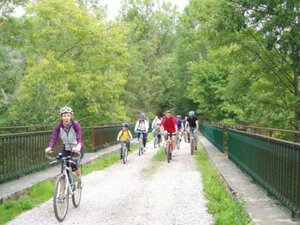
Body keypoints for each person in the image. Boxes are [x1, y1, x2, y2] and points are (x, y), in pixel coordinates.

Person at [45, 106, 84, 188]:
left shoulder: (76, 125)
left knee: (73, 164)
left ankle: (80, 179)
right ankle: (62, 193)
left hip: (77, 148)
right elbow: (53, 138)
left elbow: (79, 137)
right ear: (61, 117)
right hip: (66, 149)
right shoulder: (58, 127)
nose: (66, 118)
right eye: (64, 116)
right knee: (63, 170)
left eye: (68, 115)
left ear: (71, 116)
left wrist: (78, 146)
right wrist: (50, 147)